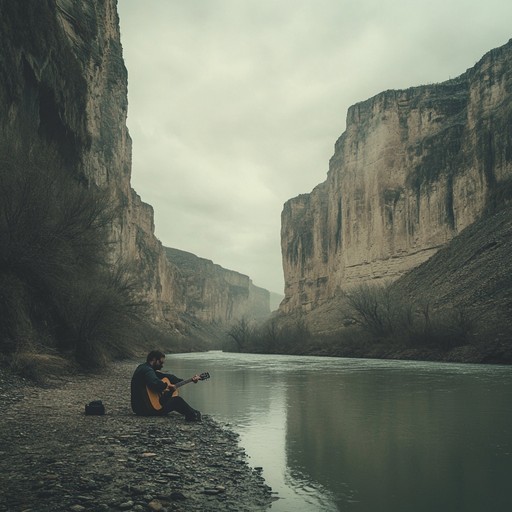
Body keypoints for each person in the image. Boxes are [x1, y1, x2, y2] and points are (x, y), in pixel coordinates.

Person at [131, 350, 202, 421]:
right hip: (148, 410)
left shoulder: (143, 368)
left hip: (138, 409)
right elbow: (155, 383)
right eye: (161, 362)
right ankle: (193, 415)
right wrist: (166, 387)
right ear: (154, 359)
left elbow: (167, 376)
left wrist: (190, 380)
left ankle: (193, 413)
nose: (162, 365)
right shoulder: (148, 371)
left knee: (169, 393)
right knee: (176, 400)